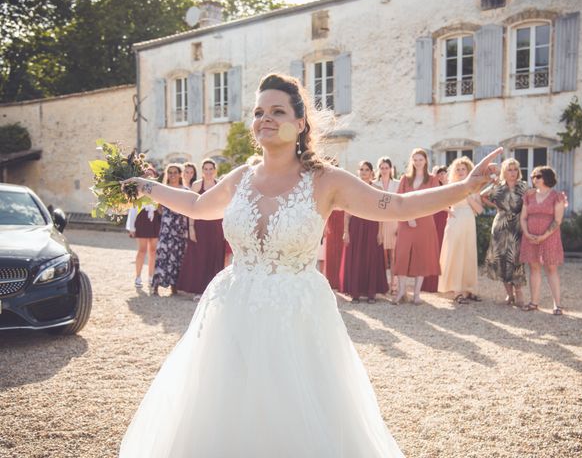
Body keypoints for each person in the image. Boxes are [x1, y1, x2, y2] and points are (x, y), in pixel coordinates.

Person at [119, 73, 500, 457]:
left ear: (300, 123)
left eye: (277, 111)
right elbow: (198, 207)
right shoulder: (240, 178)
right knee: (226, 408)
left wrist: (465, 187)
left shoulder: (326, 181)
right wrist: (144, 185)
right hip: (233, 309)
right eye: (259, 112)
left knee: (294, 413)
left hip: (296, 314)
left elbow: (397, 207)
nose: (265, 119)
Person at [392, 148, 441, 305]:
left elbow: (434, 201)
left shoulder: (432, 179)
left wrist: (417, 216)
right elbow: (399, 200)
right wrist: (408, 217)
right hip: (406, 222)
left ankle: (417, 295)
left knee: (422, 255)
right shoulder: (405, 179)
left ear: (426, 161)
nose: (418, 162)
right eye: (415, 159)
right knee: (402, 255)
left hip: (425, 222)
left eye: (421, 159)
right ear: (412, 161)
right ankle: (401, 291)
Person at [176, 159, 226, 300]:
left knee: (215, 256)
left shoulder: (220, 185)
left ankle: (213, 290)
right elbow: (191, 206)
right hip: (200, 225)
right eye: (206, 169)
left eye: (211, 169)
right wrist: (191, 227)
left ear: (215, 170)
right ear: (202, 170)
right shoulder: (197, 185)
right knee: (200, 257)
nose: (208, 172)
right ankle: (199, 290)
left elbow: (225, 207)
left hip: (217, 225)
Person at [339, 161, 388, 303]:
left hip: (372, 226)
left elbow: (381, 213)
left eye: (367, 170)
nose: (364, 172)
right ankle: (355, 293)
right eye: (361, 169)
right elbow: (347, 213)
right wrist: (345, 231)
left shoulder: (378, 189)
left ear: (372, 172)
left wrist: (380, 232)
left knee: (371, 258)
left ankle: (371, 293)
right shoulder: (351, 189)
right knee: (356, 259)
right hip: (356, 226)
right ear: (358, 171)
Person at [519, 166, 566, 315]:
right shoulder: (529, 196)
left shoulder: (557, 196)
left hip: (550, 237)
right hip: (530, 237)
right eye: (533, 177)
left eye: (538, 176)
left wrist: (544, 236)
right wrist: (526, 233)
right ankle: (534, 302)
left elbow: (558, 220)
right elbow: (523, 217)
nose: (534, 179)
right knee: (534, 268)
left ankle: (557, 305)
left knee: (551, 269)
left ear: (547, 178)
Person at [481, 158, 528, 305]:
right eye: (509, 169)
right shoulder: (498, 186)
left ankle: (519, 292)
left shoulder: (524, 186)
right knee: (501, 259)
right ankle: (509, 294)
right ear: (504, 172)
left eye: (515, 169)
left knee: (515, 259)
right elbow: (481, 195)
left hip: (517, 225)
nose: (513, 173)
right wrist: (496, 207)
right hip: (500, 225)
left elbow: (531, 201)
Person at [437, 157, 484, 304]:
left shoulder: (475, 188)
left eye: (463, 169)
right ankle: (457, 291)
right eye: (458, 169)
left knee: (468, 253)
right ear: (454, 172)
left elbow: (480, 210)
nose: (461, 171)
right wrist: (448, 210)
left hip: (469, 221)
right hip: (455, 221)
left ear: (468, 170)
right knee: (456, 253)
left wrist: (468, 196)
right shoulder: (451, 187)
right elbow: (440, 203)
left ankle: (469, 289)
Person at [150, 163, 188, 296]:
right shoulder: (163, 189)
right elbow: (159, 207)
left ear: (180, 174)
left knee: (177, 255)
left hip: (180, 227)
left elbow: (189, 207)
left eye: (175, 172)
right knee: (162, 254)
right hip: (167, 226)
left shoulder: (185, 190)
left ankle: (174, 286)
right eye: (170, 172)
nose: (172, 175)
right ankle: (156, 285)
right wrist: (168, 215)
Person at [125, 167, 161, 289]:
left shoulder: (159, 189)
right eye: (147, 174)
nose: (149, 176)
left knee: (153, 251)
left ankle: (151, 277)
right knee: (142, 250)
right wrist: (131, 227)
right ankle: (138, 276)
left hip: (154, 220)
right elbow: (133, 209)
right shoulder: (138, 190)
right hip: (142, 219)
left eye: (151, 174)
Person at [373, 156, 400, 293]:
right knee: (381, 257)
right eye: (382, 168)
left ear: (391, 169)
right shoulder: (373, 184)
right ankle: (383, 285)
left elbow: (401, 204)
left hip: (394, 221)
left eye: (386, 168)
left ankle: (394, 285)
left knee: (394, 256)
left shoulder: (397, 184)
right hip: (379, 222)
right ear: (379, 169)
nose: (384, 170)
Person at [422, 165, 449, 292]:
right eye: (439, 173)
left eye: (444, 173)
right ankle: (430, 283)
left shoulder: (450, 187)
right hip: (434, 218)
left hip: (447, 219)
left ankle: (445, 282)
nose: (441, 175)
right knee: (433, 248)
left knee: (446, 248)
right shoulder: (431, 187)